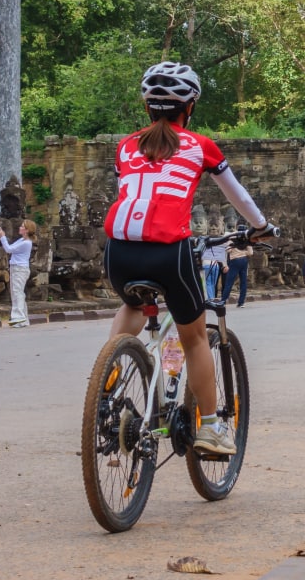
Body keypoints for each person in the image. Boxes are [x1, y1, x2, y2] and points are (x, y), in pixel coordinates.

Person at [104, 61, 277, 455]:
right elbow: (239, 197)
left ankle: (104, 383)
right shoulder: (200, 146)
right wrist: (262, 226)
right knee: (195, 338)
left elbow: (132, 194)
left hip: (119, 251)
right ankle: (213, 429)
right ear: (190, 106)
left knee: (131, 306)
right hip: (169, 251)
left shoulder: (125, 146)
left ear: (148, 107)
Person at [0, 219, 37, 327]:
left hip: (20, 269)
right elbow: (12, 249)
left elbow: (8, 249)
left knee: (17, 292)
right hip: (16, 268)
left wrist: (2, 237)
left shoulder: (26, 243)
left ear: (27, 230)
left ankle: (18, 317)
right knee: (17, 292)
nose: (20, 227)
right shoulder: (22, 240)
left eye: (22, 226)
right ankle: (23, 319)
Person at [220, 225, 252, 307]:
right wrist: (244, 253)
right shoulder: (247, 240)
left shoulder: (232, 239)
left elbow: (228, 250)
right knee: (243, 282)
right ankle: (241, 302)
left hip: (234, 261)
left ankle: (223, 301)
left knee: (229, 282)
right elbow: (251, 253)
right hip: (244, 261)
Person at [194, 235, 229, 301]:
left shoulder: (202, 246)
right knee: (213, 284)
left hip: (206, 265)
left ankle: (211, 299)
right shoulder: (217, 246)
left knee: (208, 283)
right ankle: (212, 298)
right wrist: (225, 265)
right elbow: (221, 256)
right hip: (215, 265)